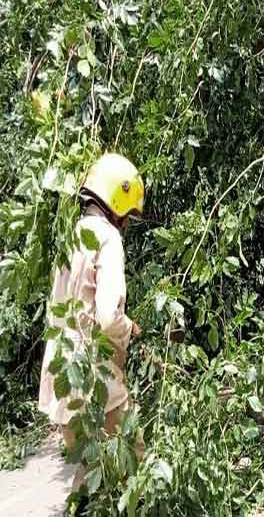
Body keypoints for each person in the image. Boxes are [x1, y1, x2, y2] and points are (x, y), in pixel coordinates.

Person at [38, 153, 145, 512]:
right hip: (93, 377)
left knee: (89, 478)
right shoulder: (108, 238)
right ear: (117, 201)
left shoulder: (72, 232)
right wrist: (130, 327)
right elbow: (107, 316)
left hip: (62, 377)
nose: (128, 221)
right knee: (135, 467)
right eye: (129, 212)